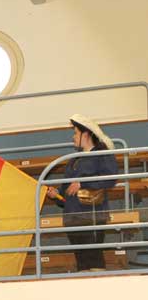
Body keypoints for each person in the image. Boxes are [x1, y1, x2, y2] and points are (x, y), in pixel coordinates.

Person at [47, 115, 119, 272]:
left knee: (93, 259)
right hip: (73, 216)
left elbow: (111, 178)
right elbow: (67, 188)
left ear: (85, 134)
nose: (73, 137)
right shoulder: (73, 159)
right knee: (81, 259)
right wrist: (57, 194)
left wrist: (83, 183)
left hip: (91, 214)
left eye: (75, 133)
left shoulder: (102, 154)